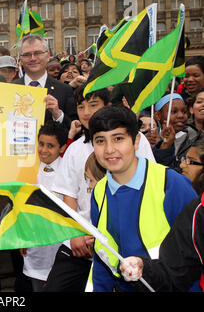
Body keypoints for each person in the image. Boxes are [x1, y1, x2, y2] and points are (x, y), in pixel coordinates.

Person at [45, 86, 155, 292]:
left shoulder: (136, 141)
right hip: (81, 246)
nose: (87, 112)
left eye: (94, 105)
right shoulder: (75, 149)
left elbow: (146, 187)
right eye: (81, 106)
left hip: (126, 248)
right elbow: (68, 194)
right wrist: (75, 234)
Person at [88, 105, 198, 292]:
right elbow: (103, 256)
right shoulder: (99, 190)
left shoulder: (171, 184)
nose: (109, 149)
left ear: (136, 140)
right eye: (100, 141)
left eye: (118, 139)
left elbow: (195, 253)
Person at [20, 121, 68, 292]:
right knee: (38, 287)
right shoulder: (28, 168)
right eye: (41, 144)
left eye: (51, 146)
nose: (44, 150)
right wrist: (22, 236)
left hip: (60, 245)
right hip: (35, 246)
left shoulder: (67, 170)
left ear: (62, 148)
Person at [13, 34, 77, 127]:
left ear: (47, 55)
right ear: (21, 58)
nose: (33, 58)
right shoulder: (10, 90)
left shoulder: (64, 90)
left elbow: (75, 127)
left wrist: (58, 115)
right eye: (27, 54)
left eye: (38, 53)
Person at [152, 93, 200, 173]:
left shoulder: (195, 139)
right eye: (174, 112)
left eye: (184, 112)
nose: (181, 116)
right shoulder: (150, 138)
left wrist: (166, 146)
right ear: (158, 115)